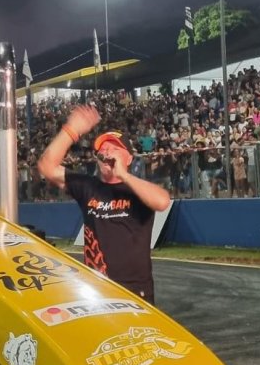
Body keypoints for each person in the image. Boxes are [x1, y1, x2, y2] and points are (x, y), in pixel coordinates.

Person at [37, 104, 171, 304]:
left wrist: (124, 176)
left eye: (114, 148)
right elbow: (46, 167)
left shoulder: (137, 189)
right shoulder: (89, 187)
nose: (107, 151)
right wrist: (71, 130)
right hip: (95, 288)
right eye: (102, 148)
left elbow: (162, 201)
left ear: (129, 158)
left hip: (134, 291)